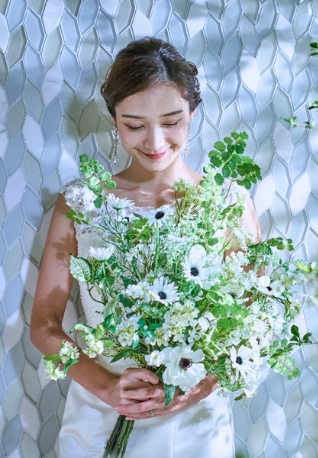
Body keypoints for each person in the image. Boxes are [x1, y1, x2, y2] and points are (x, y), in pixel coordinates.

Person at [31, 37, 261, 457]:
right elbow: (44, 327)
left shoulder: (229, 202)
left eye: (171, 121)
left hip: (196, 423)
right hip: (99, 414)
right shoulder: (83, 202)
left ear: (193, 112)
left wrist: (194, 390)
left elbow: (249, 326)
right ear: (114, 120)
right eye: (134, 125)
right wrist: (108, 388)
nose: (155, 141)